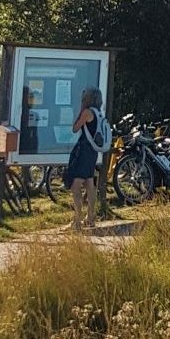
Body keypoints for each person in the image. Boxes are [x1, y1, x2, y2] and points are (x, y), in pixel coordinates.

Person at [65, 87, 108, 233]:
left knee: (75, 186)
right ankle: (91, 217)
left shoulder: (87, 112)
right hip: (93, 152)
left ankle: (77, 219)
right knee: (90, 183)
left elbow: (75, 128)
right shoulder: (98, 113)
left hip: (83, 151)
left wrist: (80, 111)